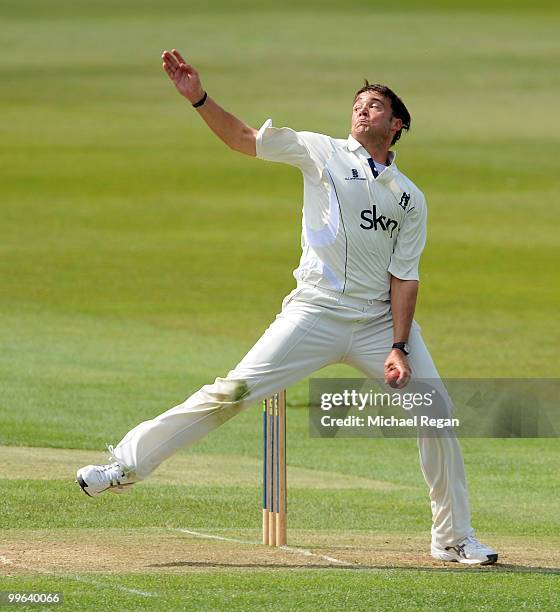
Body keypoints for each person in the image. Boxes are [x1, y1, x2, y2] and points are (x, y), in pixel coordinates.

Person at [77, 49, 498, 565]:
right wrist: (199, 99)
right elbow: (245, 139)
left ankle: (452, 538)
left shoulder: (410, 198)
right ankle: (123, 466)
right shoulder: (321, 152)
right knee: (231, 392)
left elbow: (404, 277)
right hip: (314, 311)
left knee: (436, 411)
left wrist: (397, 346)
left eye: (374, 106)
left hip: (376, 323)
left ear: (398, 124)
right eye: (358, 104)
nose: (362, 111)